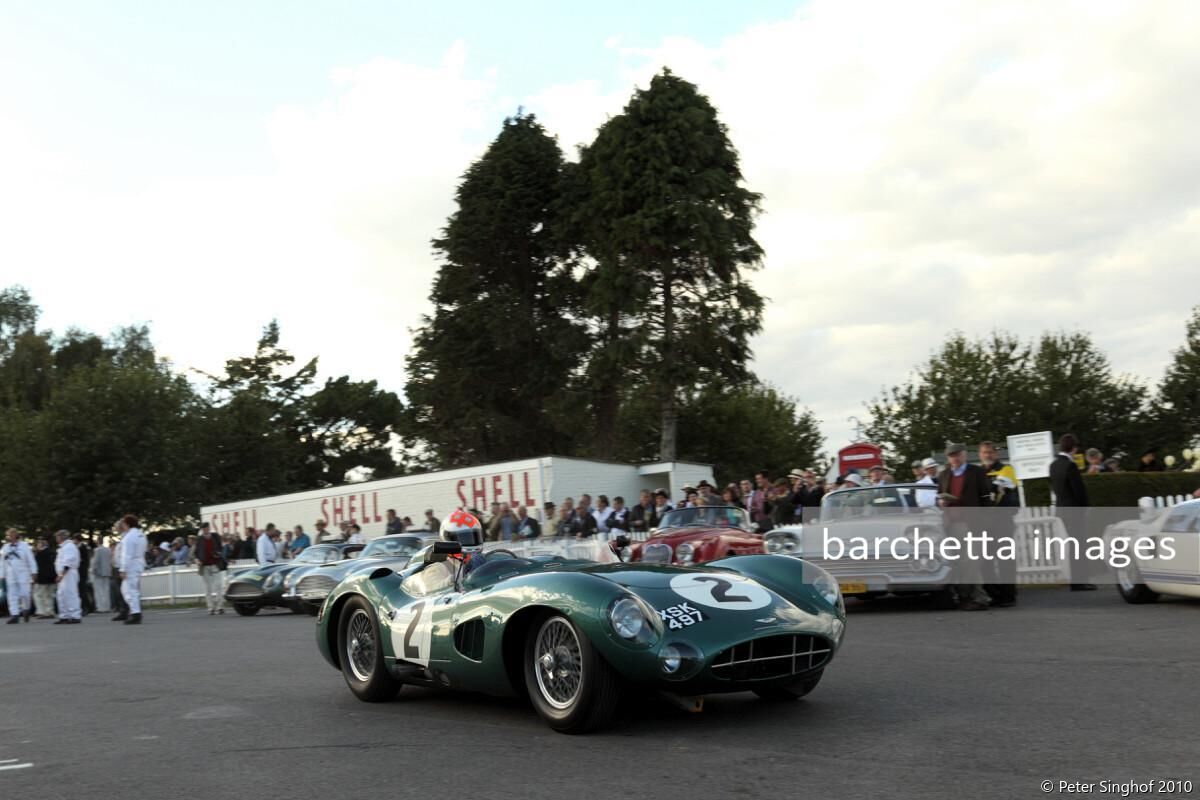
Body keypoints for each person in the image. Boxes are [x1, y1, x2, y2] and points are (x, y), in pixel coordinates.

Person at [937, 443, 993, 611]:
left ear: (964, 454)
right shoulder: (944, 474)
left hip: (971, 524)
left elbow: (986, 498)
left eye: (957, 454)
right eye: (951, 455)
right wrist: (941, 502)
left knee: (971, 561)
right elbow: (938, 497)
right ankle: (969, 597)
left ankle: (976, 597)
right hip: (951, 525)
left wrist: (985, 521)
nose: (954, 458)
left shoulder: (977, 472)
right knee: (958, 562)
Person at [1050, 433, 1096, 591]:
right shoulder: (1070, 465)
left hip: (1062, 509)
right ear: (1074, 448)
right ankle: (1080, 581)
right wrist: (1086, 507)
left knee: (1074, 544)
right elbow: (1079, 491)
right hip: (1074, 510)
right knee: (1080, 545)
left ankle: (1077, 580)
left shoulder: (1053, 465)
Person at [979, 441, 1019, 607]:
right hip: (984, 524)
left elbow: (995, 490)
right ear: (980, 455)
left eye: (990, 452)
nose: (987, 455)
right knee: (986, 561)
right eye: (984, 452)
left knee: (1005, 560)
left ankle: (1008, 595)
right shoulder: (978, 473)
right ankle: (993, 594)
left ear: (995, 453)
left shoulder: (1006, 469)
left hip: (1002, 521)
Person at [114, 515, 147, 624]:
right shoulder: (141, 535)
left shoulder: (129, 537)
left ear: (127, 524)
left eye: (123, 523)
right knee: (130, 590)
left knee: (129, 590)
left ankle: (135, 613)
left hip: (131, 565)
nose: (122, 525)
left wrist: (123, 569)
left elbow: (126, 555)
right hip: (138, 563)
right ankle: (135, 611)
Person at [2, 528, 36, 623]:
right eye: (8, 535)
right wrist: (2, 575)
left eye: (12, 534)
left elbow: (30, 559)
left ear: (16, 535)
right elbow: (2, 562)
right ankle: (14, 614)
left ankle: (26, 609)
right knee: (12, 595)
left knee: (25, 593)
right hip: (10, 574)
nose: (10, 537)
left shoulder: (24, 546)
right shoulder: (5, 547)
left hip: (23, 573)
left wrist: (34, 572)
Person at [193, 522, 225, 615]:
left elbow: (220, 548)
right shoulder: (199, 540)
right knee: (207, 588)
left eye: (206, 528)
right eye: (203, 529)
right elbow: (195, 553)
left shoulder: (215, 537)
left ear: (209, 528)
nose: (205, 530)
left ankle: (220, 607)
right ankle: (210, 607)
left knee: (218, 585)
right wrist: (197, 560)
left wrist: (218, 553)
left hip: (215, 564)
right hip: (204, 565)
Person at [52, 530, 82, 624]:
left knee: (70, 594)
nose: (56, 539)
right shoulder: (64, 547)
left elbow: (68, 561)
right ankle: (64, 615)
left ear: (61, 537)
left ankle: (75, 615)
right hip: (64, 574)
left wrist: (61, 574)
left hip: (68, 573)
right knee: (61, 595)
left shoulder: (69, 547)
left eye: (57, 537)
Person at [33, 536, 57, 618]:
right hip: (52, 577)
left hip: (42, 578)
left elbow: (36, 567)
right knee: (49, 595)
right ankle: (50, 611)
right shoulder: (53, 552)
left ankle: (42, 611)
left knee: (39, 595)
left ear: (40, 545)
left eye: (38, 544)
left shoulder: (39, 554)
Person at [90, 536, 113, 614]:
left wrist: (92, 569)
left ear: (97, 542)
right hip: (107, 572)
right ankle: (107, 606)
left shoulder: (97, 550)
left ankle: (101, 607)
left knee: (99, 591)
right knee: (106, 590)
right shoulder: (108, 550)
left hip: (99, 572)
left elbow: (95, 561)